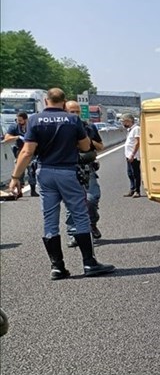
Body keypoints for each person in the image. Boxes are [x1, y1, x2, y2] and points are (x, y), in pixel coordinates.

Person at [6, 88, 114, 279]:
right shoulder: (73, 120)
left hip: (45, 172)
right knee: (80, 215)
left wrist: (15, 178)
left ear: (46, 101)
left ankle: (57, 267)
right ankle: (89, 263)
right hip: (67, 171)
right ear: (64, 103)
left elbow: (27, 151)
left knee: (49, 219)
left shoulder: (34, 120)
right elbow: (85, 146)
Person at [64, 101, 104, 246]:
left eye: (77, 112)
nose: (74, 114)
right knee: (71, 203)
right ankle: (73, 233)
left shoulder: (89, 127)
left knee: (91, 199)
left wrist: (87, 140)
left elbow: (100, 146)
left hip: (87, 167)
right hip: (68, 168)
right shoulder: (61, 127)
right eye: (71, 112)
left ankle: (92, 224)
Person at [3, 112, 39, 196]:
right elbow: (6, 138)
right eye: (17, 120)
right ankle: (19, 190)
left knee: (32, 171)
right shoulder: (14, 126)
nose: (18, 122)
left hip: (31, 151)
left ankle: (33, 190)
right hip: (19, 151)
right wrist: (17, 137)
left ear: (26, 119)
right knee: (19, 171)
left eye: (20, 120)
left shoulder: (31, 126)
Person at [121, 113, 142, 197]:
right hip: (128, 155)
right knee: (130, 173)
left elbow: (137, 142)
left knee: (135, 173)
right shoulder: (130, 130)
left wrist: (133, 154)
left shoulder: (136, 129)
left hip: (134, 156)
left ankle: (137, 190)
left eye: (124, 122)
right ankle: (132, 189)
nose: (123, 124)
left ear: (129, 121)